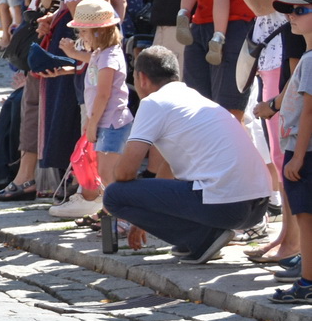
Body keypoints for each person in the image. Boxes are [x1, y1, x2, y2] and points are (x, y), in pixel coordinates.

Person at [103, 46, 272, 264]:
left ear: (141, 78)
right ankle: (199, 238)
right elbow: (167, 167)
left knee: (114, 194)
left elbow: (124, 174)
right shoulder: (193, 98)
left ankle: (202, 238)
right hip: (257, 207)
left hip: (228, 207)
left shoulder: (154, 102)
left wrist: (131, 203)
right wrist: (142, 217)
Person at [50, 0, 133, 219]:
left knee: (107, 172)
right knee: (102, 172)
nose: (81, 38)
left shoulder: (109, 58)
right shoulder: (101, 54)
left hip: (112, 123)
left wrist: (93, 122)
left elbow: (104, 94)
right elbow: (89, 60)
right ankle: (110, 211)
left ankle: (123, 217)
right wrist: (72, 54)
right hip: (105, 121)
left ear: (97, 32)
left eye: (84, 33)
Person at [256, 0, 312, 301]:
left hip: (303, 153)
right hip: (302, 151)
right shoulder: (306, 56)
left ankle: (306, 283)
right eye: (290, 10)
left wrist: (298, 157)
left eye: (301, 10)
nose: (292, 15)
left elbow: (309, 114)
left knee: (306, 222)